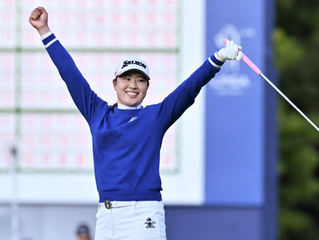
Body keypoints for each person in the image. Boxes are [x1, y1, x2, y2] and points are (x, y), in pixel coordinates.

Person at [29, 6, 243, 240]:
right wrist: (44, 30)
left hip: (144, 214)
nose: (133, 85)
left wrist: (218, 58)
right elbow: (71, 75)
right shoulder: (97, 112)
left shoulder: (156, 116)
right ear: (115, 83)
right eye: (127, 78)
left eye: (140, 80)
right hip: (106, 216)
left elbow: (189, 88)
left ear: (147, 87)